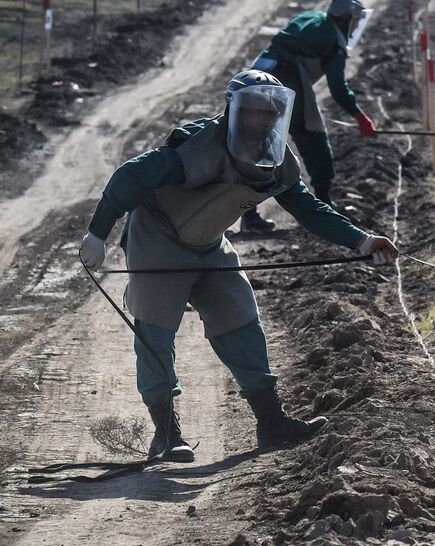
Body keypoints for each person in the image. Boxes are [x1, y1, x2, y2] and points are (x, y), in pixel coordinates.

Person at [78, 70, 399, 461]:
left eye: (271, 112)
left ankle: (271, 422)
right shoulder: (196, 148)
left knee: (240, 318)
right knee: (156, 334)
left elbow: (307, 207)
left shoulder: (275, 158)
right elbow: (130, 176)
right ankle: (166, 435)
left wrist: (362, 240)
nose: (262, 120)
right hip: (158, 241)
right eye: (253, 111)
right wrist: (97, 233)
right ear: (232, 109)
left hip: (210, 244)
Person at [239, 0, 378, 233]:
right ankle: (323, 205)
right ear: (346, 18)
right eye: (355, 21)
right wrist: (359, 116)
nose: (355, 27)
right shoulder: (334, 40)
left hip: (258, 74)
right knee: (314, 139)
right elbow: (337, 88)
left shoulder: (310, 17)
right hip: (288, 81)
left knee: (259, 145)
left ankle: (248, 215)